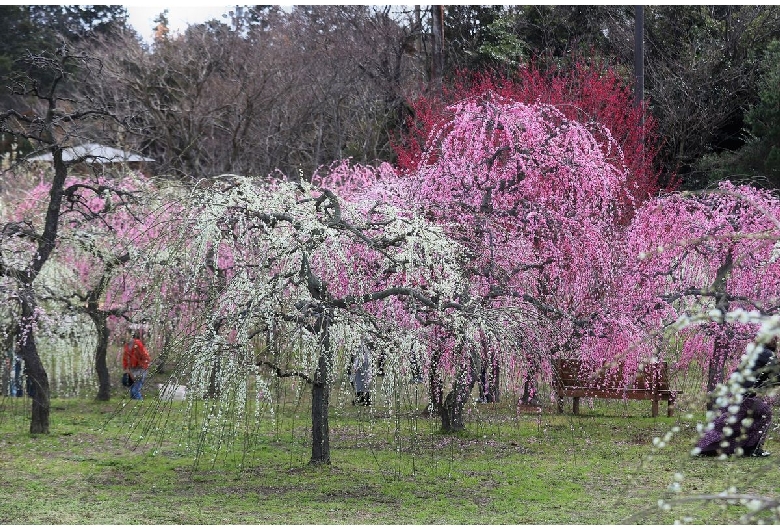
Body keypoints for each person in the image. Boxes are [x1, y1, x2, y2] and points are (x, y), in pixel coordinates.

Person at [694, 341, 778, 458]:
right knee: (764, 413)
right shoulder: (767, 354)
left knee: (731, 420)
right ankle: (752, 448)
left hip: (732, 392)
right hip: (741, 395)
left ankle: (708, 446)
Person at [122, 331, 152, 400]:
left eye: (126, 334)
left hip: (140, 368)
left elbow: (144, 355)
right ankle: (134, 405)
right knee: (132, 390)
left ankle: (140, 403)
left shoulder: (137, 343)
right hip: (132, 369)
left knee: (135, 390)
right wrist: (126, 368)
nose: (125, 337)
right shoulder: (127, 346)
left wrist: (143, 365)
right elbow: (125, 358)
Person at [350, 339, 372, 406]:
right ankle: (362, 399)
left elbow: (360, 360)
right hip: (362, 370)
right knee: (361, 385)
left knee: (361, 385)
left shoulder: (362, 350)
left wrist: (356, 367)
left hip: (362, 370)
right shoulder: (362, 349)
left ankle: (363, 399)